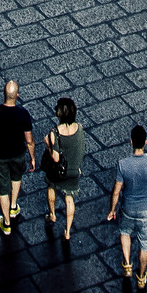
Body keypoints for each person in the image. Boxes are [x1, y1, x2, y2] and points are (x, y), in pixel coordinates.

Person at [108, 124, 147, 289]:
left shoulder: (123, 164)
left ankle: (127, 265)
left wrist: (112, 210)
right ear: (145, 142)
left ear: (131, 142)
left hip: (128, 208)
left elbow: (116, 191)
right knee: (145, 245)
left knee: (125, 232)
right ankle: (141, 277)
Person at [0, 80, 36, 236]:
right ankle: (13, 206)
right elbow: (29, 140)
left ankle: (6, 223)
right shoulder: (23, 114)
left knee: (2, 188)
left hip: (0, 155)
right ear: (17, 96)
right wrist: (32, 157)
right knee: (16, 176)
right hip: (18, 153)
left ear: (3, 93)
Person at [42, 95, 85, 244]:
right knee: (69, 198)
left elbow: (55, 157)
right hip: (73, 171)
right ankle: (67, 231)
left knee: (51, 186)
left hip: (58, 172)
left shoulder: (55, 132)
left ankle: (52, 214)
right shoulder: (79, 128)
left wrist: (48, 144)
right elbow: (80, 148)